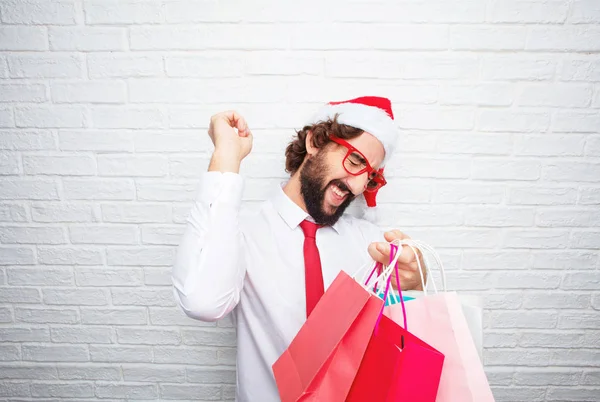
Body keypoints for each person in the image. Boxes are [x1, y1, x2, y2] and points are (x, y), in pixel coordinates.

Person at [172, 96, 428, 402]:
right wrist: (227, 157)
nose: (358, 187)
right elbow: (202, 302)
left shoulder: (370, 244)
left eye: (370, 176)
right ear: (314, 143)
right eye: (356, 160)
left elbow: (398, 335)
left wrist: (416, 277)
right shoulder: (241, 234)